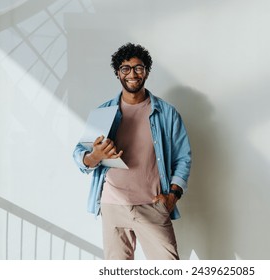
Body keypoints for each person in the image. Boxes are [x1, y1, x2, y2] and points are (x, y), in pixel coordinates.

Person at [73, 43, 192, 260]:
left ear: (146, 71)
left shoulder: (166, 113)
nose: (132, 74)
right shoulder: (104, 112)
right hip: (113, 205)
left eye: (138, 68)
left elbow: (183, 157)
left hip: (153, 204)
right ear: (117, 73)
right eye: (125, 68)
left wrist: (173, 195)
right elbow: (80, 154)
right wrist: (95, 156)